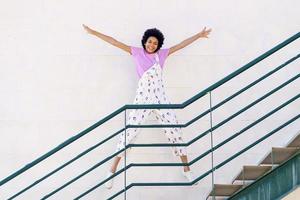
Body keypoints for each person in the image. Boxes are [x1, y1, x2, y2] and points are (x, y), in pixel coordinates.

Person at [82, 24, 212, 189]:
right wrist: (93, 32)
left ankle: (186, 168)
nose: (152, 45)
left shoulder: (162, 55)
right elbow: (114, 42)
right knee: (130, 132)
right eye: (150, 42)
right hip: (143, 97)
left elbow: (180, 45)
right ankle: (112, 171)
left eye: (155, 43)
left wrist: (199, 35)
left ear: (158, 45)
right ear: (145, 41)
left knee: (175, 129)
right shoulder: (136, 52)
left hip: (160, 97)